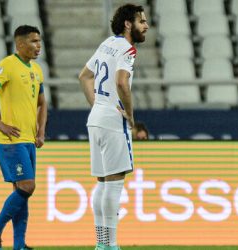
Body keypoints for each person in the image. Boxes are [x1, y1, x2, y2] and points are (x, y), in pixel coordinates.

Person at [78, 3, 148, 250]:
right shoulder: (127, 50)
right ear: (128, 24)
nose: (146, 26)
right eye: (142, 21)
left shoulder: (106, 43)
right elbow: (122, 82)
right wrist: (129, 115)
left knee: (103, 183)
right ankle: (112, 245)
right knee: (114, 184)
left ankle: (102, 244)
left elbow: (84, 76)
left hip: (96, 118)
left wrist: (98, 104)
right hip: (112, 120)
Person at [0, 25, 47, 250]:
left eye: (39, 41)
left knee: (22, 192)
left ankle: (19, 245)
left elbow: (42, 102)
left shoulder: (37, 70)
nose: (38, 46)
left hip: (27, 139)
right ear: (20, 44)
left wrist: (40, 131)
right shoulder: (8, 65)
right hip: (11, 140)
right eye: (34, 41)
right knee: (27, 186)